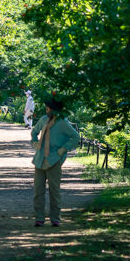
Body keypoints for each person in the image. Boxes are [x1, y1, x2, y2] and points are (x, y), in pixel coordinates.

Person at [31, 97, 80, 227]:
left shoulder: (62, 122)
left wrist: (64, 149)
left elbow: (76, 136)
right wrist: (34, 143)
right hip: (40, 159)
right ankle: (39, 218)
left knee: (54, 191)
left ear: (54, 110)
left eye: (48, 108)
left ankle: (55, 218)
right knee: (38, 191)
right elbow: (34, 132)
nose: (46, 110)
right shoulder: (43, 120)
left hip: (54, 160)